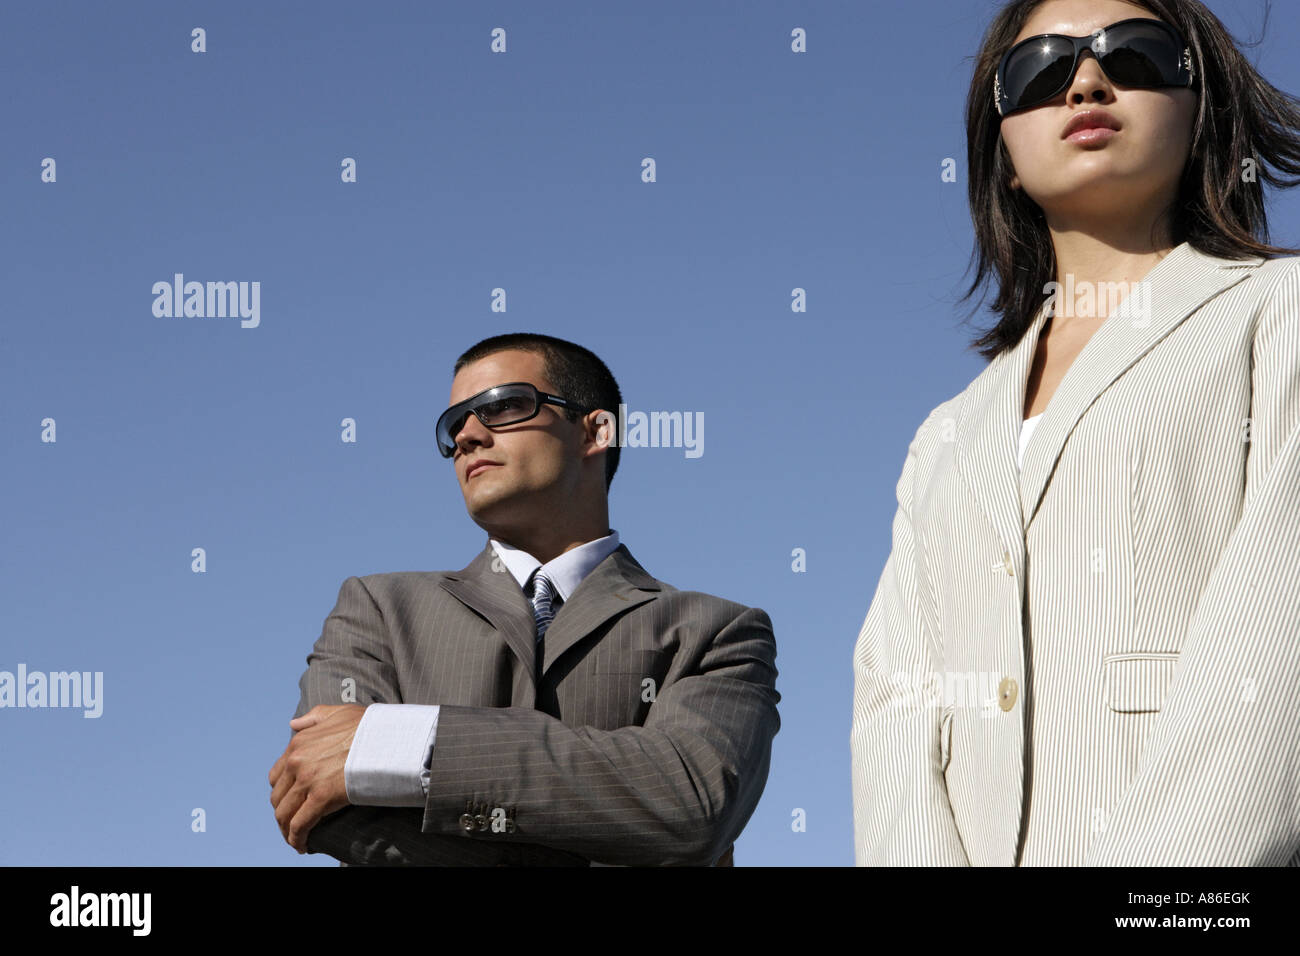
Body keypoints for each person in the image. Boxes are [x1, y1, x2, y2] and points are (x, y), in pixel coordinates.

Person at [851, 0, 1300, 866]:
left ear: (1203, 111)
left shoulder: (1278, 315)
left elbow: (1276, 657)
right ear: (1004, 153)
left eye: (1135, 57)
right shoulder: (946, 436)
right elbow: (898, 710)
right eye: (1042, 71)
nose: (1087, 81)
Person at [269, 332, 780, 866]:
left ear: (596, 430)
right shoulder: (377, 608)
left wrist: (416, 743)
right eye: (453, 425)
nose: (467, 435)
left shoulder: (715, 630)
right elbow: (323, 805)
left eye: (502, 406)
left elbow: (690, 804)